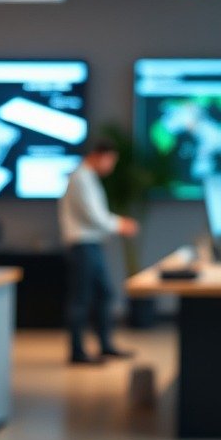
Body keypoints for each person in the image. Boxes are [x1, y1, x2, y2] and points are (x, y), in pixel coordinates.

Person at [59, 140, 139, 365]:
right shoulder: (80, 178)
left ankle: (105, 345)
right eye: (110, 160)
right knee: (81, 299)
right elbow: (93, 216)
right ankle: (77, 352)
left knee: (103, 294)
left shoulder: (88, 177)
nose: (111, 167)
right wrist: (120, 225)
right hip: (82, 245)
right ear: (98, 155)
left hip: (91, 244)